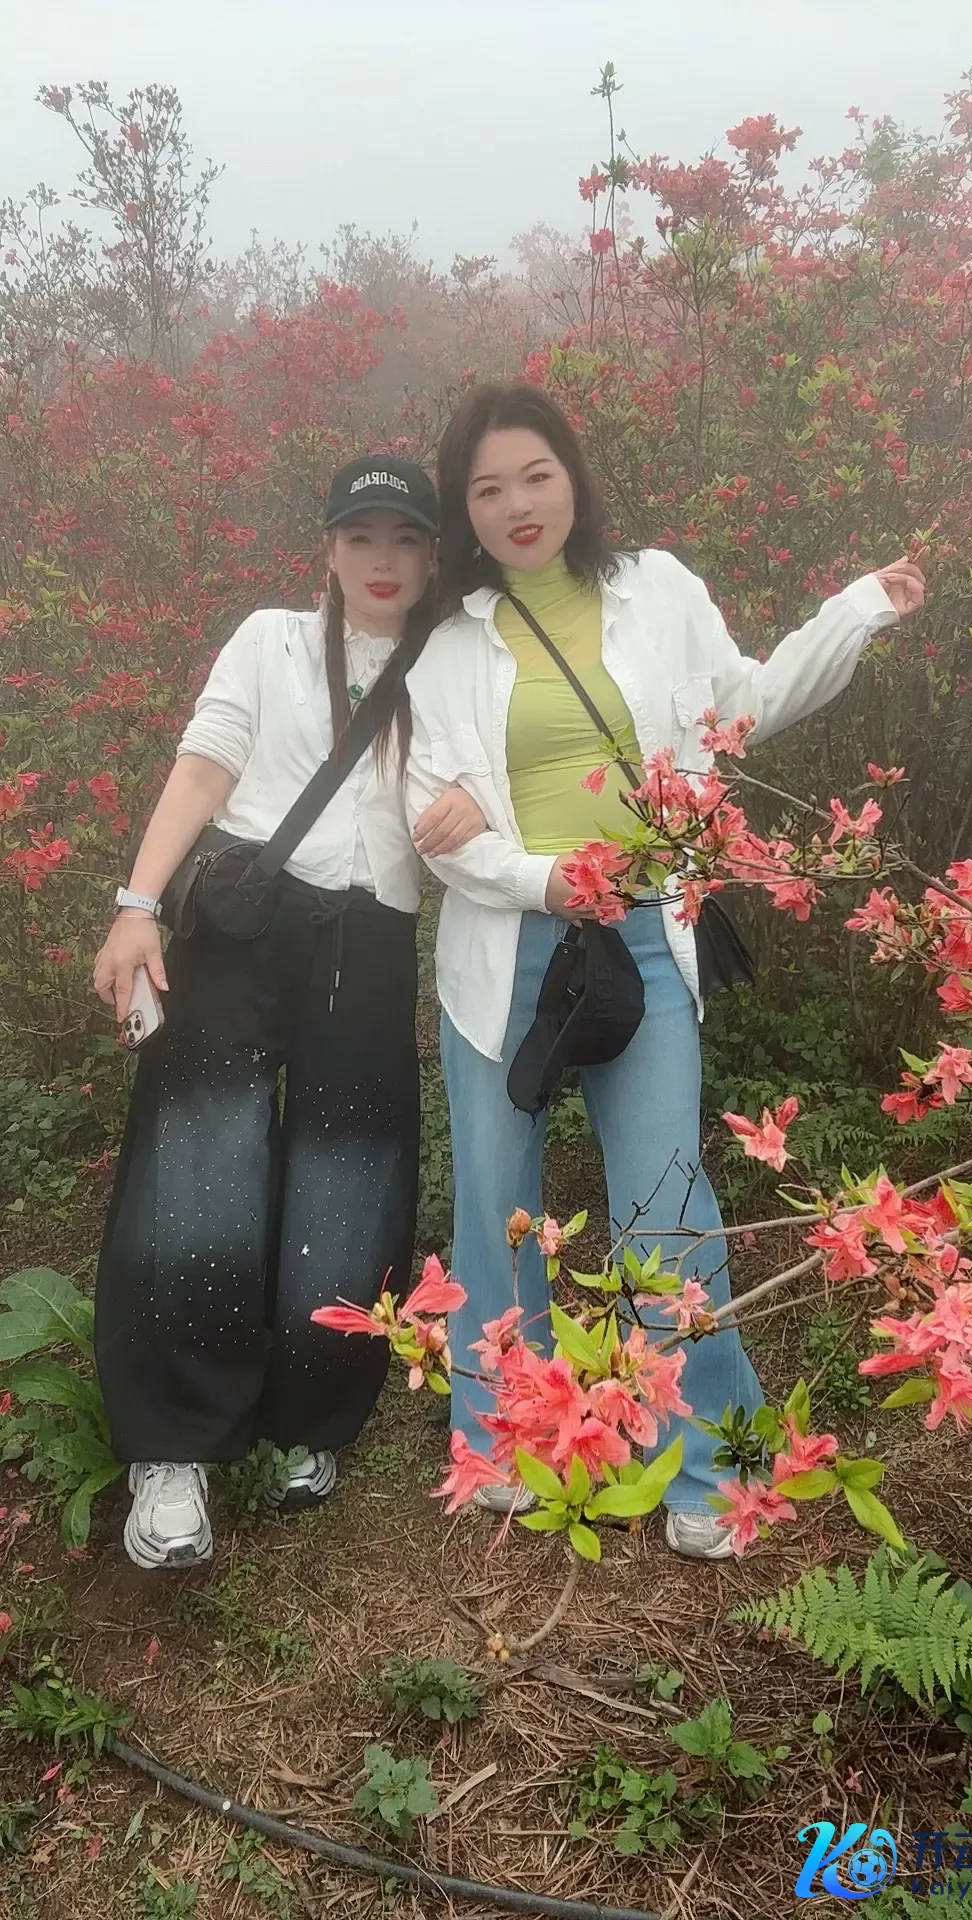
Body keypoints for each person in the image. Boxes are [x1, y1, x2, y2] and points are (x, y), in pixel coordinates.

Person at [404, 383, 926, 1561]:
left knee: (668, 1200)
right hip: (508, 954)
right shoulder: (448, 646)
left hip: (643, 936)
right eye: (486, 489)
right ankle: (503, 1439)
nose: (517, 503)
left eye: (535, 475)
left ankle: (712, 1462)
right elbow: (432, 824)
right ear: (462, 512)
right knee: (495, 1200)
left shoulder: (659, 590)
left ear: (573, 475)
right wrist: (542, 879)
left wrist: (856, 611)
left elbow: (746, 704)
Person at [92, 456, 486, 1570]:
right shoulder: (269, 640)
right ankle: (174, 1447)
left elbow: (500, 769)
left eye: (404, 539)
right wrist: (136, 906)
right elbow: (204, 769)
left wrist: (476, 797)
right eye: (361, 537)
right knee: (200, 1165)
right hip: (244, 923)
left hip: (369, 940)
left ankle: (312, 1410)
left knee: (350, 1176)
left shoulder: (454, 661)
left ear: (433, 556)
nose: (382, 560)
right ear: (327, 549)